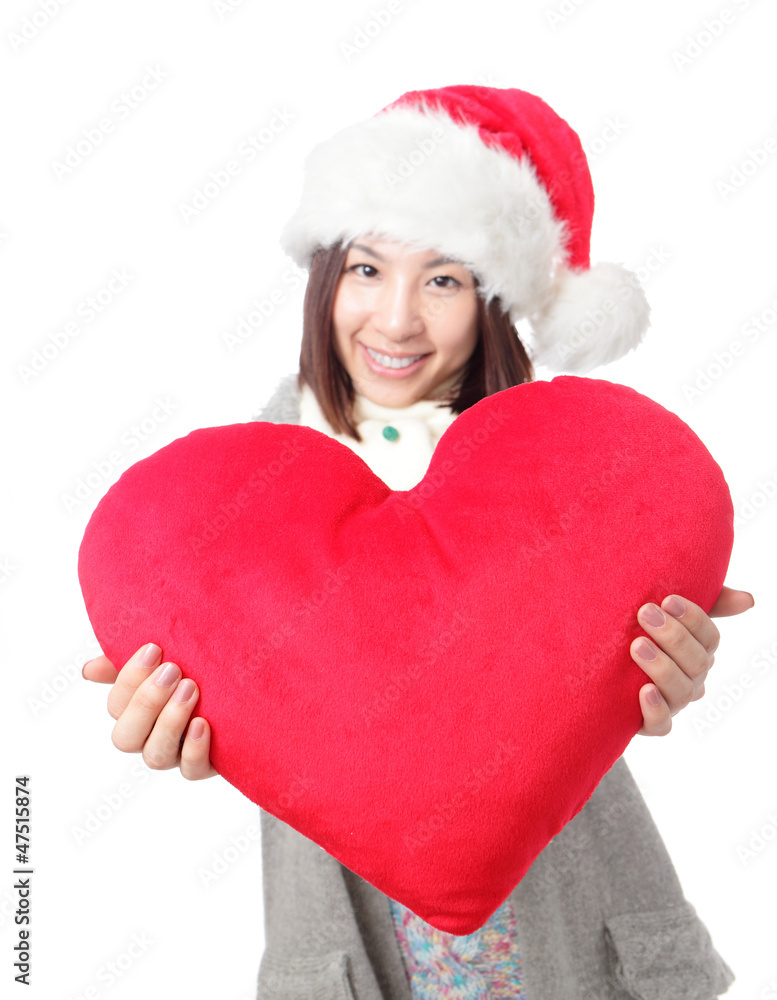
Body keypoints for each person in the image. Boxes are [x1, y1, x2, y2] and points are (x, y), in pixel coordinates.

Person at [83, 86, 754, 999]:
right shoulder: (226, 512)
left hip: (574, 939)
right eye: (366, 269)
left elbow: (572, 702)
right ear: (326, 273)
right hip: (356, 960)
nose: (394, 319)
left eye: (441, 279)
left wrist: (648, 675)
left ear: (493, 302)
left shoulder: (571, 479)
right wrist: (187, 730)